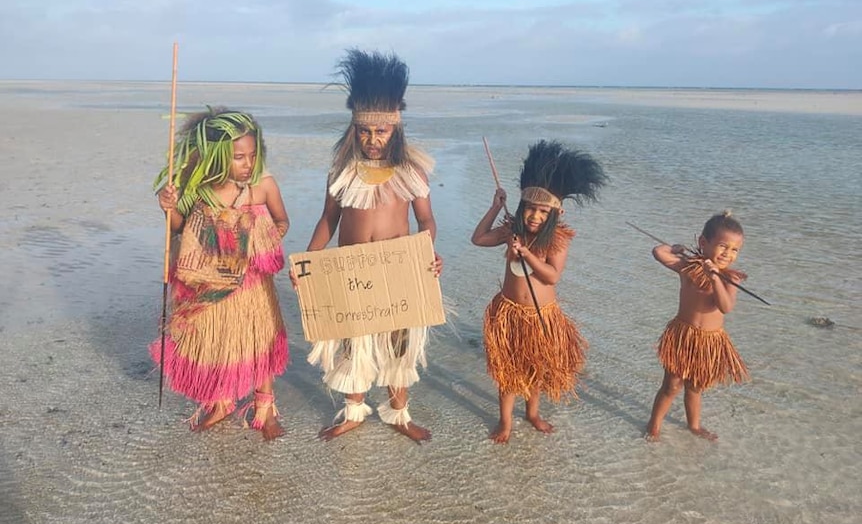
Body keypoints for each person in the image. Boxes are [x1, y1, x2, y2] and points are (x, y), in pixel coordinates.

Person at [298, 49, 442, 443]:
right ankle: (354, 410)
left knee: (399, 344)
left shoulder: (410, 169)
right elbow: (328, 220)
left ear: (396, 129)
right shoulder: (342, 170)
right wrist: (308, 263)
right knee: (354, 343)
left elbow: (427, 221)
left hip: (398, 272)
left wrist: (425, 253)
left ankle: (399, 413)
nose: (373, 139)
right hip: (352, 272)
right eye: (365, 131)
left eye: (381, 132)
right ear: (353, 129)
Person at [152, 108, 290, 441]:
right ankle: (220, 402)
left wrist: (261, 236)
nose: (248, 163)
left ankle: (264, 407)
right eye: (238, 157)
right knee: (217, 342)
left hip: (254, 284)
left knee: (259, 341)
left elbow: (282, 222)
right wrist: (167, 207)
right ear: (215, 157)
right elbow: (180, 231)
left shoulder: (264, 186)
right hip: (212, 285)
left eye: (253, 155)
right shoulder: (199, 191)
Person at [471, 140, 606, 444]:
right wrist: (495, 207)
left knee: (536, 369)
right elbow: (478, 239)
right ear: (521, 207)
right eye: (530, 208)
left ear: (554, 214)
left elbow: (552, 276)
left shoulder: (557, 239)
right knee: (508, 373)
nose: (534, 215)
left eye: (542, 211)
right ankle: (505, 421)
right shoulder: (511, 230)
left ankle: (532, 413)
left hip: (542, 316)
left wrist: (528, 255)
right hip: (508, 314)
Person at [645, 211, 750, 442]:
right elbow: (658, 252)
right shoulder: (688, 267)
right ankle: (654, 426)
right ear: (704, 243)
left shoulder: (731, 279)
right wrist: (675, 248)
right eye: (723, 246)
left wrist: (715, 278)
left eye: (735, 250)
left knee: (695, 387)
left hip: (709, 342)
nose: (728, 254)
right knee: (671, 386)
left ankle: (694, 425)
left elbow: (725, 307)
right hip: (683, 335)